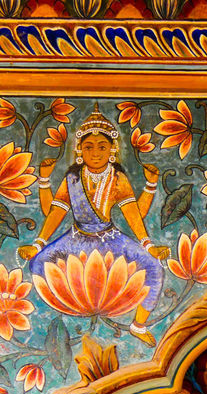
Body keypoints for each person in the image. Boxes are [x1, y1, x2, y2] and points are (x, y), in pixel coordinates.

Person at [18, 105, 168, 345]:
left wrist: (149, 245)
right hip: (75, 238)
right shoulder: (72, 178)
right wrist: (37, 245)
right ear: (80, 151)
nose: (95, 153)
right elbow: (54, 212)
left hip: (110, 238)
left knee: (154, 268)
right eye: (89, 147)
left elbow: (133, 214)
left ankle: (138, 325)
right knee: (38, 264)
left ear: (112, 150)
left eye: (102, 147)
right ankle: (63, 315)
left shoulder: (117, 178)